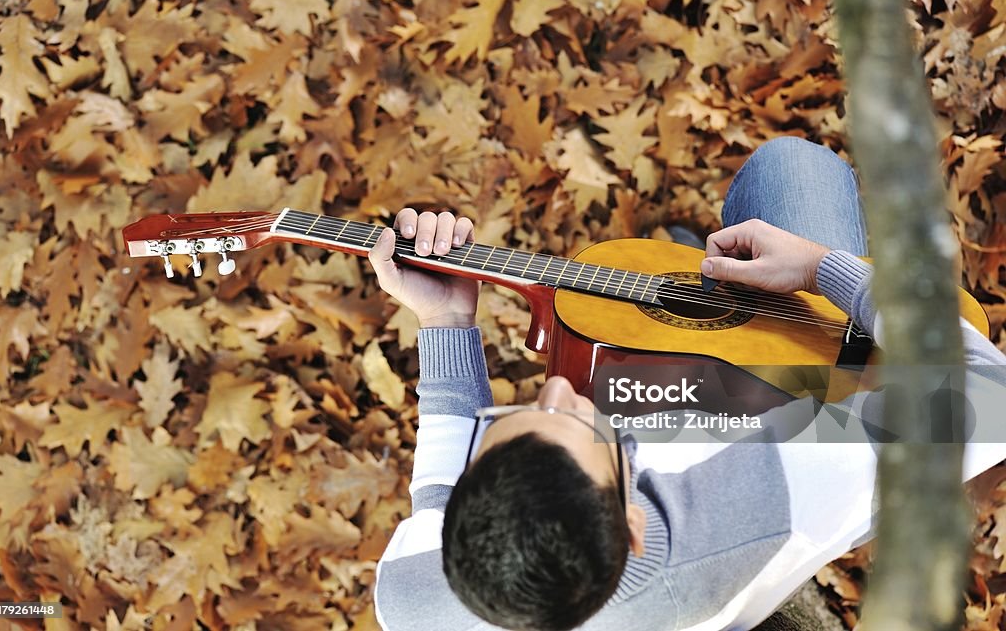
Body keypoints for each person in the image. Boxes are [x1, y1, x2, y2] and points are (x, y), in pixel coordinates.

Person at [367, 137, 1006, 631]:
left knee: (664, 296)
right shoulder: (757, 500)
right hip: (755, 440)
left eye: (509, 426)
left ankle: (684, 280)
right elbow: (989, 394)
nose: (556, 390)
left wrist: (445, 320)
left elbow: (436, 506)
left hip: (669, 450)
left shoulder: (411, 598)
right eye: (587, 425)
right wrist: (821, 269)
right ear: (636, 525)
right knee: (794, 170)